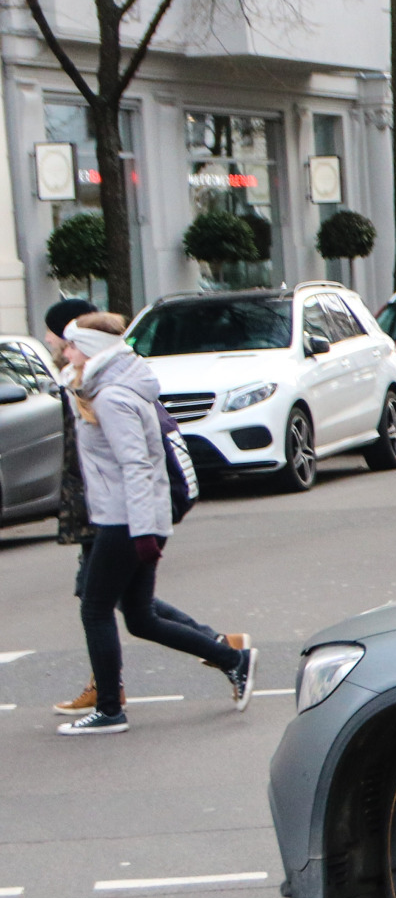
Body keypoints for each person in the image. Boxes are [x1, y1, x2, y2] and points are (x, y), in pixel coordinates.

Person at [41, 298, 246, 717]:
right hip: (128, 518)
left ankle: (109, 710)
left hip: (124, 520)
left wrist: (141, 533)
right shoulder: (104, 388)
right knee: (139, 617)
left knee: (95, 607)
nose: (65, 352)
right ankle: (233, 659)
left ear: (92, 350)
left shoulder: (112, 397)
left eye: (73, 346)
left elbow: (137, 465)